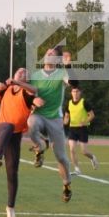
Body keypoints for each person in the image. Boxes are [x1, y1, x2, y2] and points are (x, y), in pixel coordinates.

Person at [0, 68, 42, 217]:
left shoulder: (27, 92)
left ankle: (10, 207)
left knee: (12, 172)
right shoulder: (7, 89)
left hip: (14, 137)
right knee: (8, 126)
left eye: (24, 73)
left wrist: (18, 83)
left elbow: (35, 91)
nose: (21, 73)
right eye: (19, 71)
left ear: (26, 78)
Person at [26, 47, 74, 202]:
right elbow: (28, 95)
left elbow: (73, 82)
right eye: (47, 53)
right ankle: (40, 148)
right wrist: (33, 100)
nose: (49, 54)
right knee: (31, 123)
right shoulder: (35, 75)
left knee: (61, 157)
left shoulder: (61, 73)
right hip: (39, 115)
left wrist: (68, 65)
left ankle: (66, 185)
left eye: (52, 54)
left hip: (55, 119)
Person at [63, 84, 98, 175]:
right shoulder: (69, 103)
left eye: (77, 91)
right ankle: (77, 169)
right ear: (71, 93)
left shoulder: (84, 102)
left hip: (83, 129)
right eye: (73, 91)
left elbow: (92, 115)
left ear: (80, 93)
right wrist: (64, 122)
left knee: (84, 151)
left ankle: (92, 157)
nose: (75, 93)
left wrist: (85, 122)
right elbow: (66, 116)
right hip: (72, 129)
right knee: (72, 149)